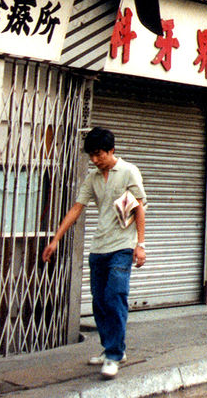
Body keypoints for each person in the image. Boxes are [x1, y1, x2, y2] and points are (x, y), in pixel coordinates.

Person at [42, 127, 147, 378]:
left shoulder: (129, 171)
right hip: (98, 248)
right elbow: (77, 209)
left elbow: (140, 208)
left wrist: (140, 245)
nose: (94, 159)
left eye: (98, 154)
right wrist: (55, 239)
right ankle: (111, 348)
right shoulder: (93, 178)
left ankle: (113, 355)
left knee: (115, 296)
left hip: (122, 247)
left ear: (111, 150)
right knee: (99, 302)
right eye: (91, 155)